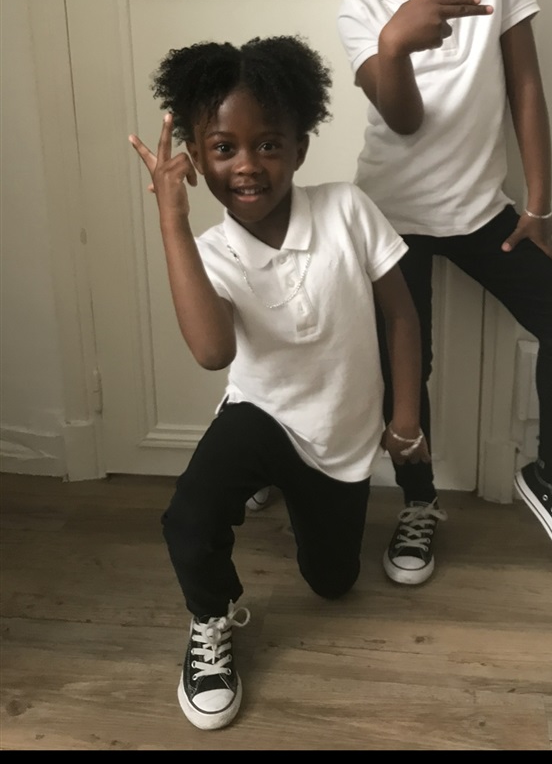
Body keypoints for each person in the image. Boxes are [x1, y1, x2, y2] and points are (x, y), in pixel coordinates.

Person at [129, 35, 427, 731]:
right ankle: (210, 622)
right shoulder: (209, 252)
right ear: (196, 159)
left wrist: (406, 418)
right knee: (188, 518)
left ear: (299, 147)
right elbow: (212, 352)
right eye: (223, 147)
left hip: (340, 437)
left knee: (333, 583)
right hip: (262, 413)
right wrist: (172, 219)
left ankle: (287, 487)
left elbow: (402, 317)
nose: (247, 164)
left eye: (268, 144)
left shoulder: (348, 209)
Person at [337, 0, 552, 588]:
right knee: (407, 372)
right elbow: (403, 118)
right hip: (390, 221)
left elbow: (527, 87)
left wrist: (539, 206)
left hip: (482, 210)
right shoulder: (362, 11)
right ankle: (419, 503)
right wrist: (397, 41)